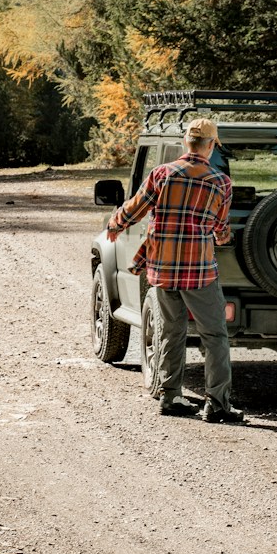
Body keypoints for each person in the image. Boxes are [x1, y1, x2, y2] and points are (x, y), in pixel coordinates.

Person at [105, 116, 244, 423]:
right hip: (200, 272)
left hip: (163, 268)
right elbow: (220, 230)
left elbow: (134, 207)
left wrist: (114, 225)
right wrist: (221, 236)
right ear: (210, 146)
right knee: (215, 336)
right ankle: (218, 404)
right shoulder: (220, 182)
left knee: (171, 331)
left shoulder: (162, 174)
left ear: (186, 142)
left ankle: (171, 397)